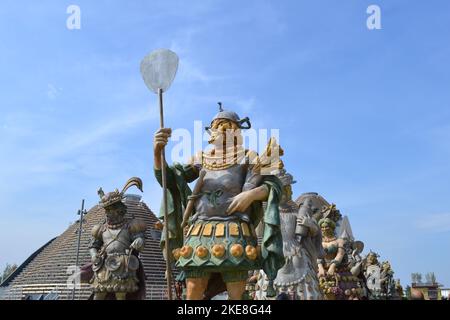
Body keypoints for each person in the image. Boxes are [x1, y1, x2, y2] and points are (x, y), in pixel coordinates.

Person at [153, 104, 284, 300]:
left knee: (236, 293)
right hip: (200, 231)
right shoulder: (201, 158)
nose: (217, 132)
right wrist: (157, 153)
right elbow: (169, 180)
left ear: (234, 131)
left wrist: (250, 194)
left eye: (224, 127)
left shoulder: (249, 157)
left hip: (235, 232)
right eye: (215, 127)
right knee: (193, 289)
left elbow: (273, 187)